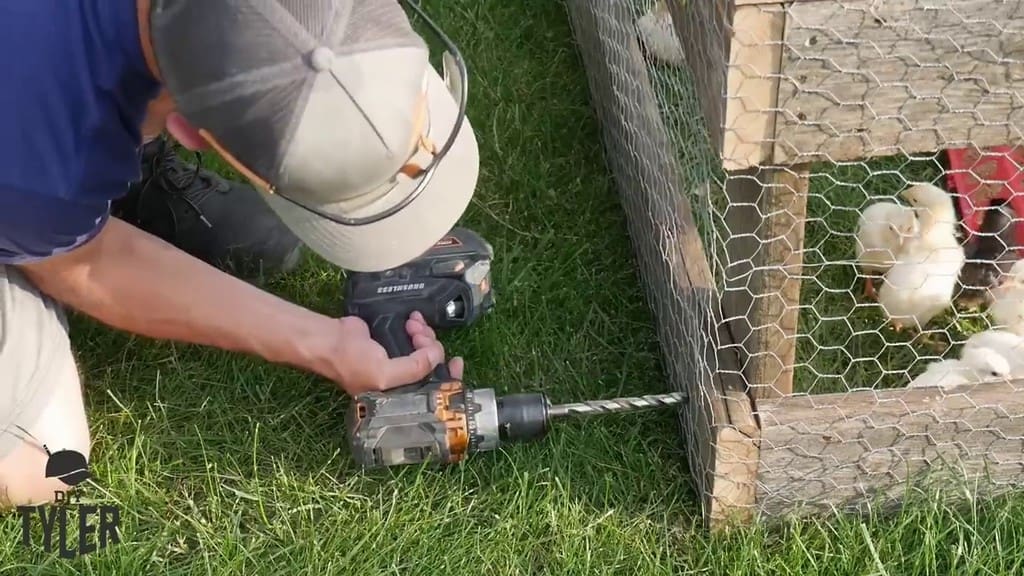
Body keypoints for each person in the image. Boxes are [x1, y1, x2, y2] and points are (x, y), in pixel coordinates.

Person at [0, 0, 480, 507]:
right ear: (190, 133)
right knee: (44, 462)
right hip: (22, 169)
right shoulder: (37, 169)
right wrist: (325, 344)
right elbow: (86, 267)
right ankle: (44, 225)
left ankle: (111, 172)